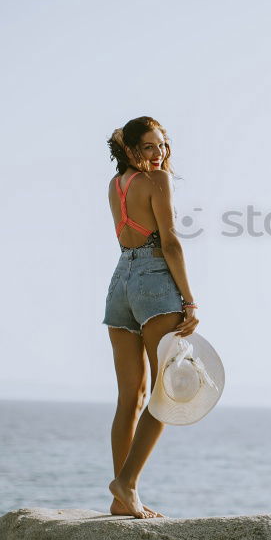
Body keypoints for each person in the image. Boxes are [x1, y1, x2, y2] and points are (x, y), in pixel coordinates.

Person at [102, 116, 200, 519]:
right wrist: (190, 301)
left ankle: (121, 496)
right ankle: (126, 484)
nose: (159, 154)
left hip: (120, 282)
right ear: (130, 150)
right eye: (148, 147)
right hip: (154, 283)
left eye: (162, 145)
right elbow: (171, 241)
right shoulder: (158, 182)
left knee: (131, 398)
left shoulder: (116, 185)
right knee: (166, 392)